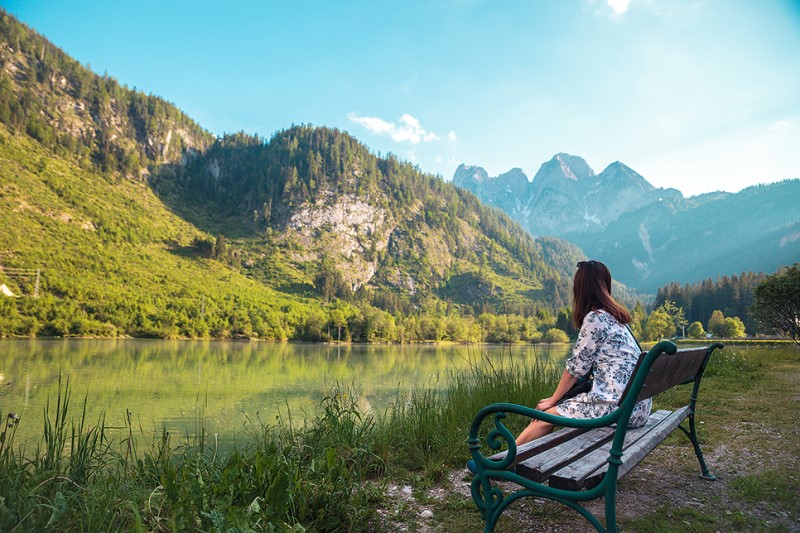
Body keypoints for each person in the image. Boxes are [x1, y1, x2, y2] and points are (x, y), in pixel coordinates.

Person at [515, 259, 650, 446]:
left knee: (546, 415)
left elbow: (576, 368)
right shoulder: (618, 319)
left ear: (581, 288)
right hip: (639, 408)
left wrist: (553, 399)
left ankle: (503, 462)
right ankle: (519, 458)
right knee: (557, 409)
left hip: (617, 409)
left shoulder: (596, 318)